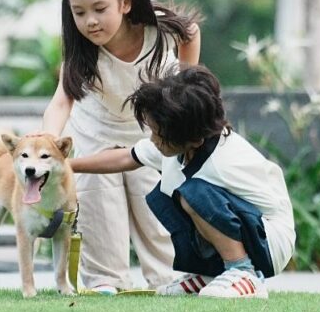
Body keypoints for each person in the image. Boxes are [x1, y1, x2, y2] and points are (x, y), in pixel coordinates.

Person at [41, 0, 201, 295]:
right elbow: (61, 100)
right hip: (95, 134)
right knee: (99, 207)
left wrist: (185, 86)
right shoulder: (81, 48)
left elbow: (191, 31)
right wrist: (49, 142)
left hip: (151, 135)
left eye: (100, 9)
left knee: (156, 211)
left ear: (125, 2)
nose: (90, 21)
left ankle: (170, 279)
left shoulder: (159, 29)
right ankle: (106, 281)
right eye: (79, 12)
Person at [69, 65, 296, 299]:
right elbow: (127, 157)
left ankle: (243, 272)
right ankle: (210, 274)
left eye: (158, 134)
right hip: (245, 227)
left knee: (194, 194)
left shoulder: (224, 161)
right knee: (166, 197)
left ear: (194, 139)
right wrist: (67, 166)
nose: (153, 140)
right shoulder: (177, 144)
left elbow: (264, 209)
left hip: (270, 241)